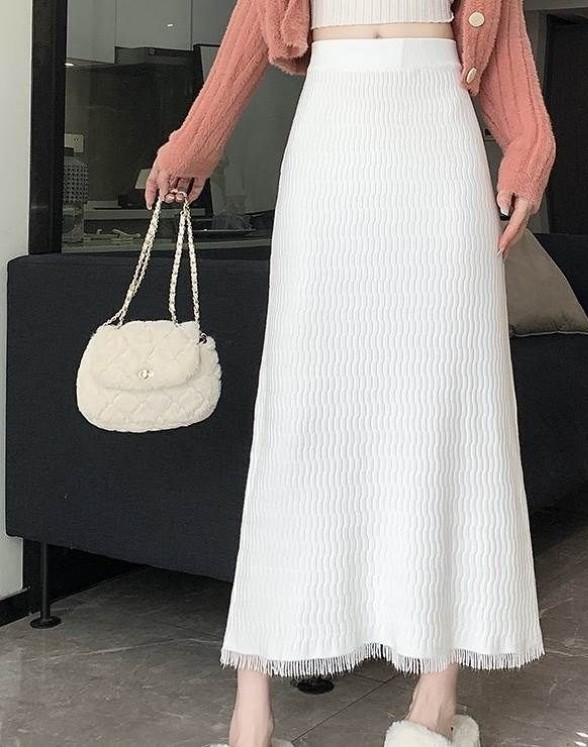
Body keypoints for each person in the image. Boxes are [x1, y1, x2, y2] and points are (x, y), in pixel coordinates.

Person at [146, 1, 556, 745]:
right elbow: (251, 22)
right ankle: (251, 711)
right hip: (331, 133)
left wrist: (528, 146)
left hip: (438, 138)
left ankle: (434, 699)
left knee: (447, 400)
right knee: (301, 410)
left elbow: (502, 37)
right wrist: (195, 142)